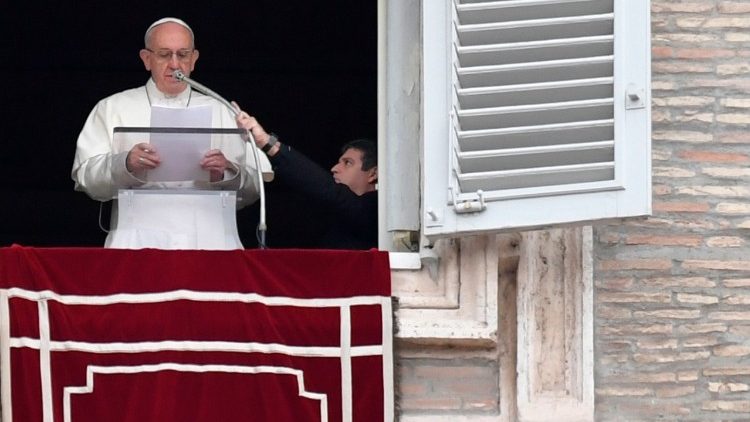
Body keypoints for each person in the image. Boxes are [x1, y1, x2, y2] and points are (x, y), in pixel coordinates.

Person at [71, 17, 272, 250]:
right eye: (165, 55)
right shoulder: (112, 108)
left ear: (194, 59)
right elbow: (86, 178)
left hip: (212, 241)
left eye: (183, 54)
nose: (175, 64)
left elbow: (258, 183)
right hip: (136, 241)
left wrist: (226, 172)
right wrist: (125, 164)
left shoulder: (223, 110)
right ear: (147, 59)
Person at [234, 105, 378, 250]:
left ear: (373, 174)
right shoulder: (327, 216)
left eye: (347, 163)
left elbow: (330, 191)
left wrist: (267, 143)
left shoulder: (378, 212)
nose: (334, 169)